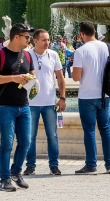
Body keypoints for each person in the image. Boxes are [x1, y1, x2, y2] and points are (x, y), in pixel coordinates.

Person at [0, 23, 35, 192]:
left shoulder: (28, 56)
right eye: (27, 37)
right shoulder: (0, 55)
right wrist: (13, 78)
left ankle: (16, 172)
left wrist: (32, 81)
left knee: (26, 142)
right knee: (7, 143)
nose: (29, 40)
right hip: (6, 106)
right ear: (16, 37)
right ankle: (4, 179)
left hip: (24, 106)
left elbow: (33, 76)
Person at [72, 21, 110, 175]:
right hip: (105, 95)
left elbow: (76, 77)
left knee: (89, 131)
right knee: (106, 129)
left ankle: (91, 165)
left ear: (82, 34)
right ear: (95, 32)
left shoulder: (81, 51)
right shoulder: (108, 47)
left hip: (87, 96)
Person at [24, 29, 66, 176]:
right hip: (30, 103)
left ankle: (54, 165)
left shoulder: (53, 55)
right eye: (43, 40)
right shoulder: (26, 55)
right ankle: (30, 166)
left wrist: (62, 98)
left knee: (52, 135)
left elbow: (60, 78)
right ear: (35, 41)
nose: (47, 42)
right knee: (30, 136)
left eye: (48, 39)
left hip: (50, 102)